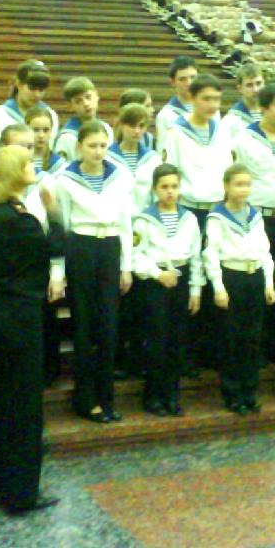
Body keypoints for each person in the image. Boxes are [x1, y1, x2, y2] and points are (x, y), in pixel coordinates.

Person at [0, 145, 64, 516]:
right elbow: (57, 246)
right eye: (28, 163)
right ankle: (21, 494)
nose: (33, 166)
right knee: (25, 407)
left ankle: (1, 484)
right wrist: (53, 212)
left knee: (4, 402)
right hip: (23, 316)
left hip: (3, 312)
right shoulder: (21, 219)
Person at [52, 120, 134, 423]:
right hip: (81, 247)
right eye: (91, 146)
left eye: (102, 146)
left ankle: (106, 397)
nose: (98, 152)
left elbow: (126, 223)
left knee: (109, 327)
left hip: (110, 246)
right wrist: (59, 270)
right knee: (84, 326)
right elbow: (61, 226)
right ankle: (85, 399)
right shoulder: (64, 179)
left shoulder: (120, 176)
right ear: (79, 147)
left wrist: (126, 265)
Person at [161, 73, 233, 374]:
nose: (212, 105)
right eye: (206, 98)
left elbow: (228, 170)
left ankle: (212, 352)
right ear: (191, 98)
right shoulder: (176, 132)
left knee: (217, 276)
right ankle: (187, 356)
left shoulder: (222, 130)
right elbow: (170, 173)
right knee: (193, 280)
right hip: (189, 211)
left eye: (216, 99)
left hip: (217, 211)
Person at [232, 81, 275, 364]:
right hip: (257, 219)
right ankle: (256, 346)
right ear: (263, 108)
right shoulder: (243, 139)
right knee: (261, 281)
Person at [203, 163, 275, 414]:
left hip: (254, 277)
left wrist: (268, 282)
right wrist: (218, 287)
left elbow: (265, 251)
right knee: (231, 339)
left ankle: (249, 391)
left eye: (247, 184)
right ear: (226, 186)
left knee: (252, 338)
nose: (243, 189)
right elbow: (211, 254)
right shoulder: (217, 217)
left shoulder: (255, 215)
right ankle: (232, 394)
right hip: (231, 278)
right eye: (238, 184)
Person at [131, 163, 204, 416]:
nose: (170, 191)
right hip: (156, 282)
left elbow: (196, 257)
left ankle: (172, 396)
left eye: (174, 186)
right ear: (155, 189)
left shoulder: (189, 218)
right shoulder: (144, 219)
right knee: (157, 341)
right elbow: (136, 255)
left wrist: (195, 290)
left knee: (176, 341)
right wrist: (157, 274)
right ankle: (153, 396)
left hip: (181, 281)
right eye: (164, 187)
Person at [0, 122, 67, 387]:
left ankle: (47, 376)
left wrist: (57, 273)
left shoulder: (45, 182)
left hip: (41, 268)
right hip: (9, 273)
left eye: (30, 147)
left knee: (45, 326)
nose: (27, 152)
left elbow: (56, 230)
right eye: (19, 146)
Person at [109, 103, 162, 379]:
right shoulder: (108, 156)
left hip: (145, 230)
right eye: (132, 125)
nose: (137, 131)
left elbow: (155, 196)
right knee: (121, 298)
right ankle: (119, 358)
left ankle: (140, 358)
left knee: (143, 298)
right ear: (121, 124)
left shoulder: (152, 158)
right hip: (117, 230)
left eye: (142, 125)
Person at [0, 60, 58, 156]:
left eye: (41, 89)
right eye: (32, 88)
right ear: (18, 84)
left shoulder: (51, 115)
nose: (37, 95)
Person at [53, 77, 114, 162]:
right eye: (78, 101)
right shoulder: (67, 138)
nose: (86, 104)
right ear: (71, 106)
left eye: (88, 97)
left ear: (97, 96)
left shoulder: (106, 129)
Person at [154, 55, 199, 150]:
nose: (189, 83)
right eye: (182, 79)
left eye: (193, 77)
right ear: (173, 82)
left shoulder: (211, 110)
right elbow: (164, 151)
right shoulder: (166, 116)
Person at [220, 63, 265, 141]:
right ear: (240, 89)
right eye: (249, 85)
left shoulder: (272, 115)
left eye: (258, 83)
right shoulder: (230, 121)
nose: (255, 90)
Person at [25, 105, 66, 176]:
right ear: (26, 129)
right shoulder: (18, 161)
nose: (41, 135)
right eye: (36, 130)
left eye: (46, 130)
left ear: (51, 131)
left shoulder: (60, 165)